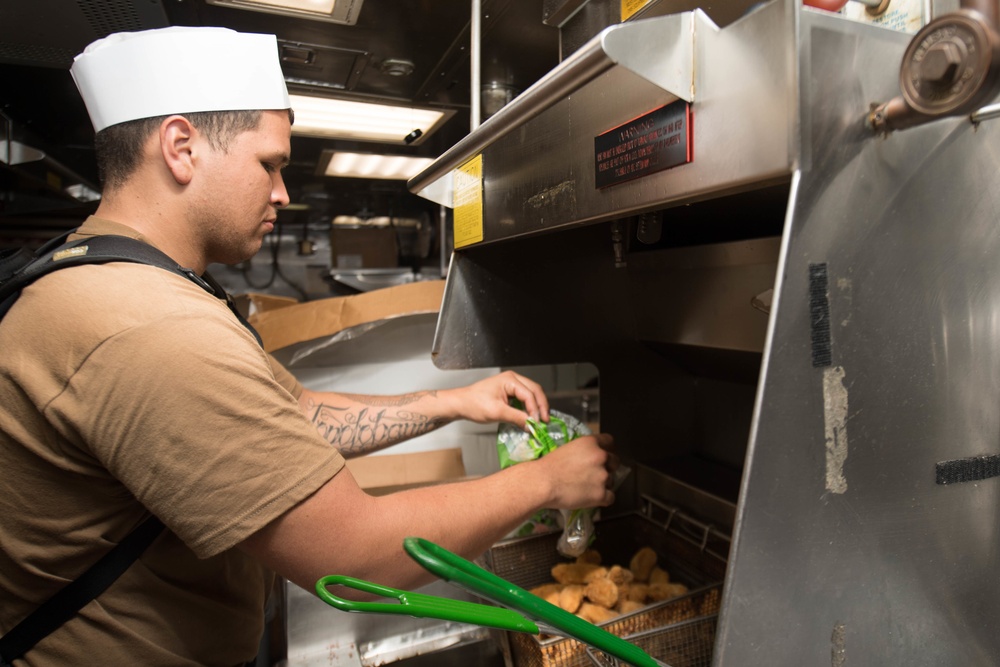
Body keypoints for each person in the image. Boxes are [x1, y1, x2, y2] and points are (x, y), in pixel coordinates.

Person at [0, 26, 617, 666]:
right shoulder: (149, 327)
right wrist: (545, 481)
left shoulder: (116, 280)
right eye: (268, 163)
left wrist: (455, 401)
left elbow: (288, 420)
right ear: (180, 147)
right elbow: (354, 560)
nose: (282, 193)